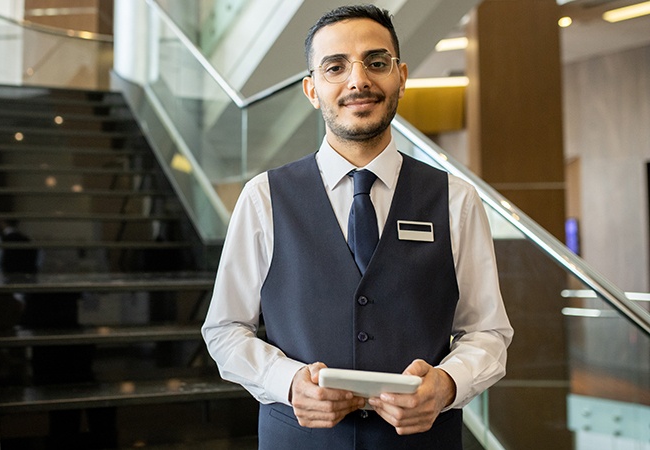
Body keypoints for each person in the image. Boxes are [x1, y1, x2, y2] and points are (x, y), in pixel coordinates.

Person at [201, 4, 513, 449]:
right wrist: (287, 382)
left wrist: (447, 383)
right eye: (335, 67)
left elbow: (488, 331)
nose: (358, 80)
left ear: (401, 75)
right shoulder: (263, 197)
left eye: (377, 62)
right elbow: (225, 328)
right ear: (312, 89)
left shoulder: (455, 199)